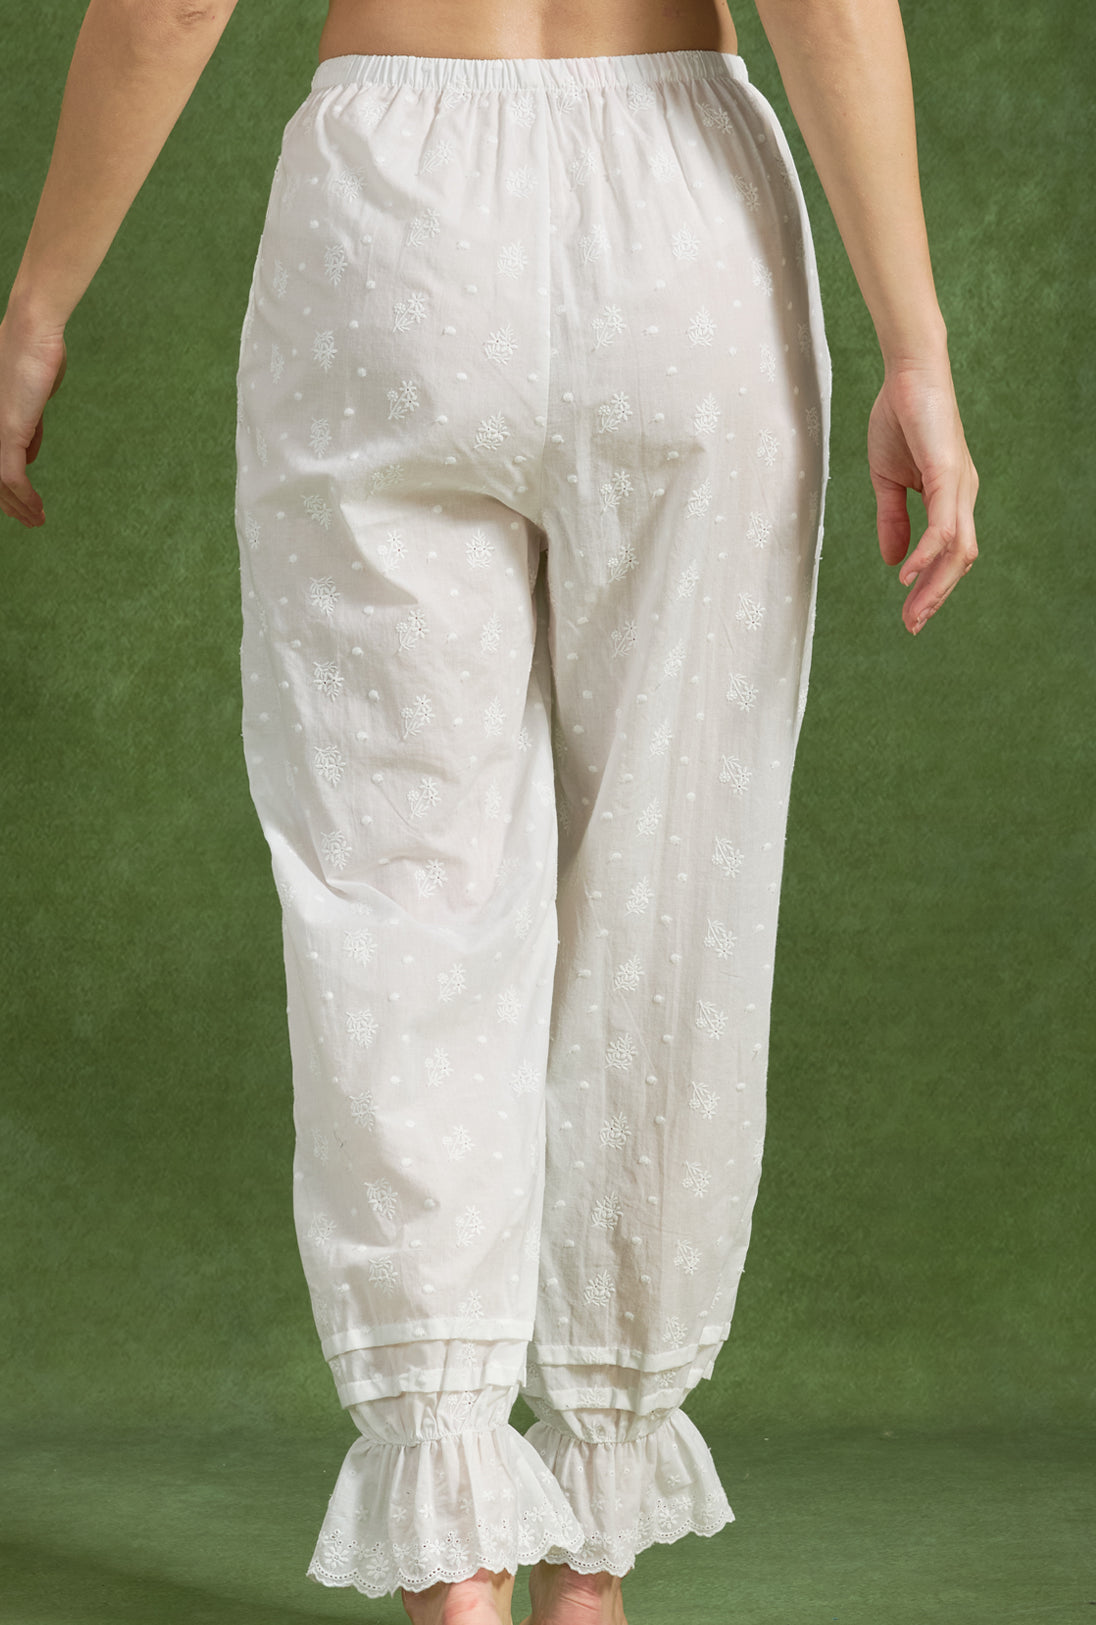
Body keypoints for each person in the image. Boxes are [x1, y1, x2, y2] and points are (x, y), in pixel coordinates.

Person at [0, 2, 979, 1623]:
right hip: (687, 231)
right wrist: (917, 346)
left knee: (396, 894)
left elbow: (171, 6)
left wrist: (37, 303)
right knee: (674, 880)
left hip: (391, 232)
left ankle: (452, 1561)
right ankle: (593, 1555)